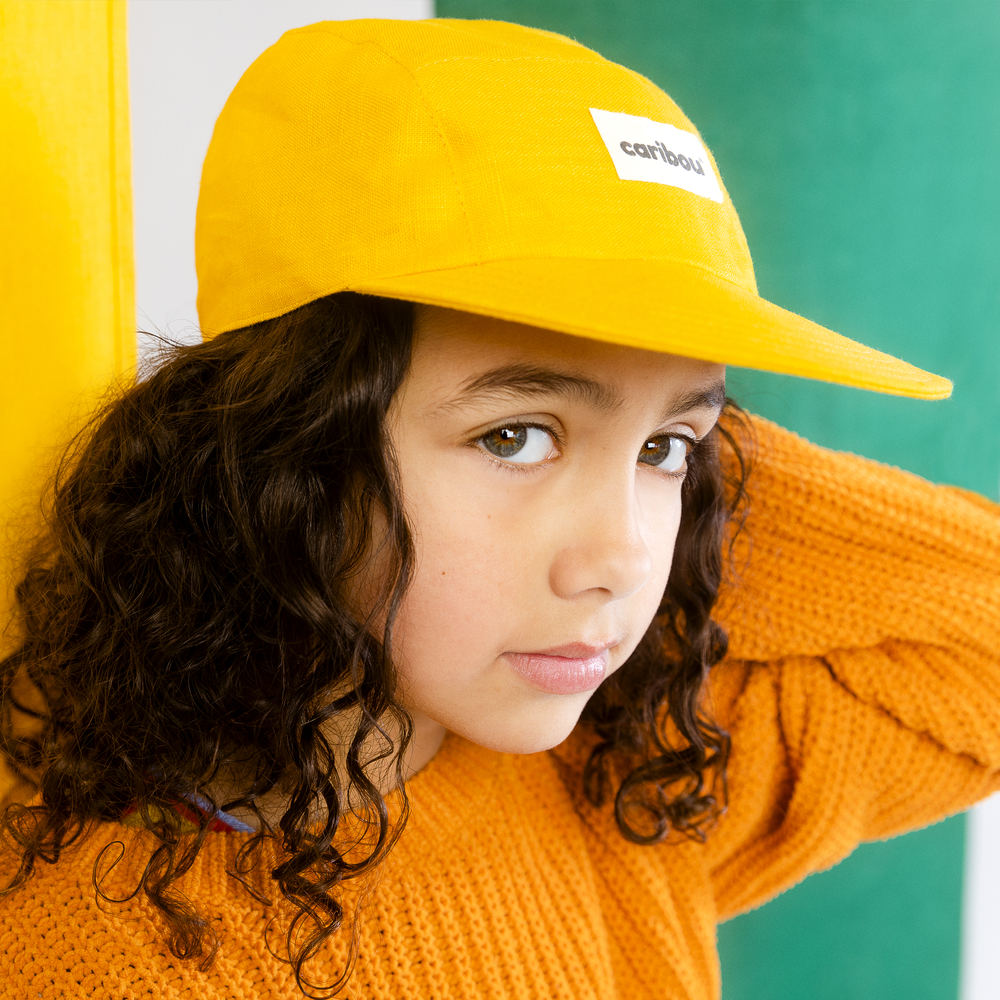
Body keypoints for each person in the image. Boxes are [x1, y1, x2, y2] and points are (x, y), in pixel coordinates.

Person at [1, 17, 997, 1000]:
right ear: (280, 445)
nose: (618, 558)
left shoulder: (629, 779)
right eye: (513, 435)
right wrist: (642, 421)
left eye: (669, 454)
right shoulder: (93, 947)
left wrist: (681, 440)